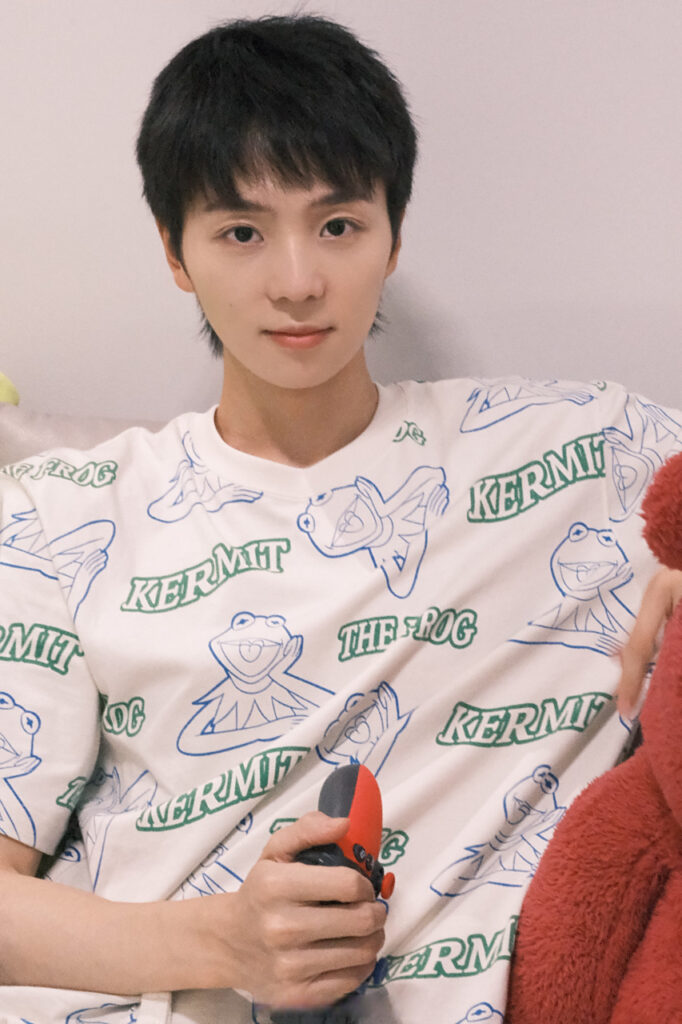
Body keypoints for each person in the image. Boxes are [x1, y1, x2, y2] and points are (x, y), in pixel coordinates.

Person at [0, 14, 680, 1024]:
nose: (296, 282)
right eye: (241, 232)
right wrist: (224, 940)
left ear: (392, 236)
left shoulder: (586, 450)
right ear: (175, 253)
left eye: (337, 225)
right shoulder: (58, 513)